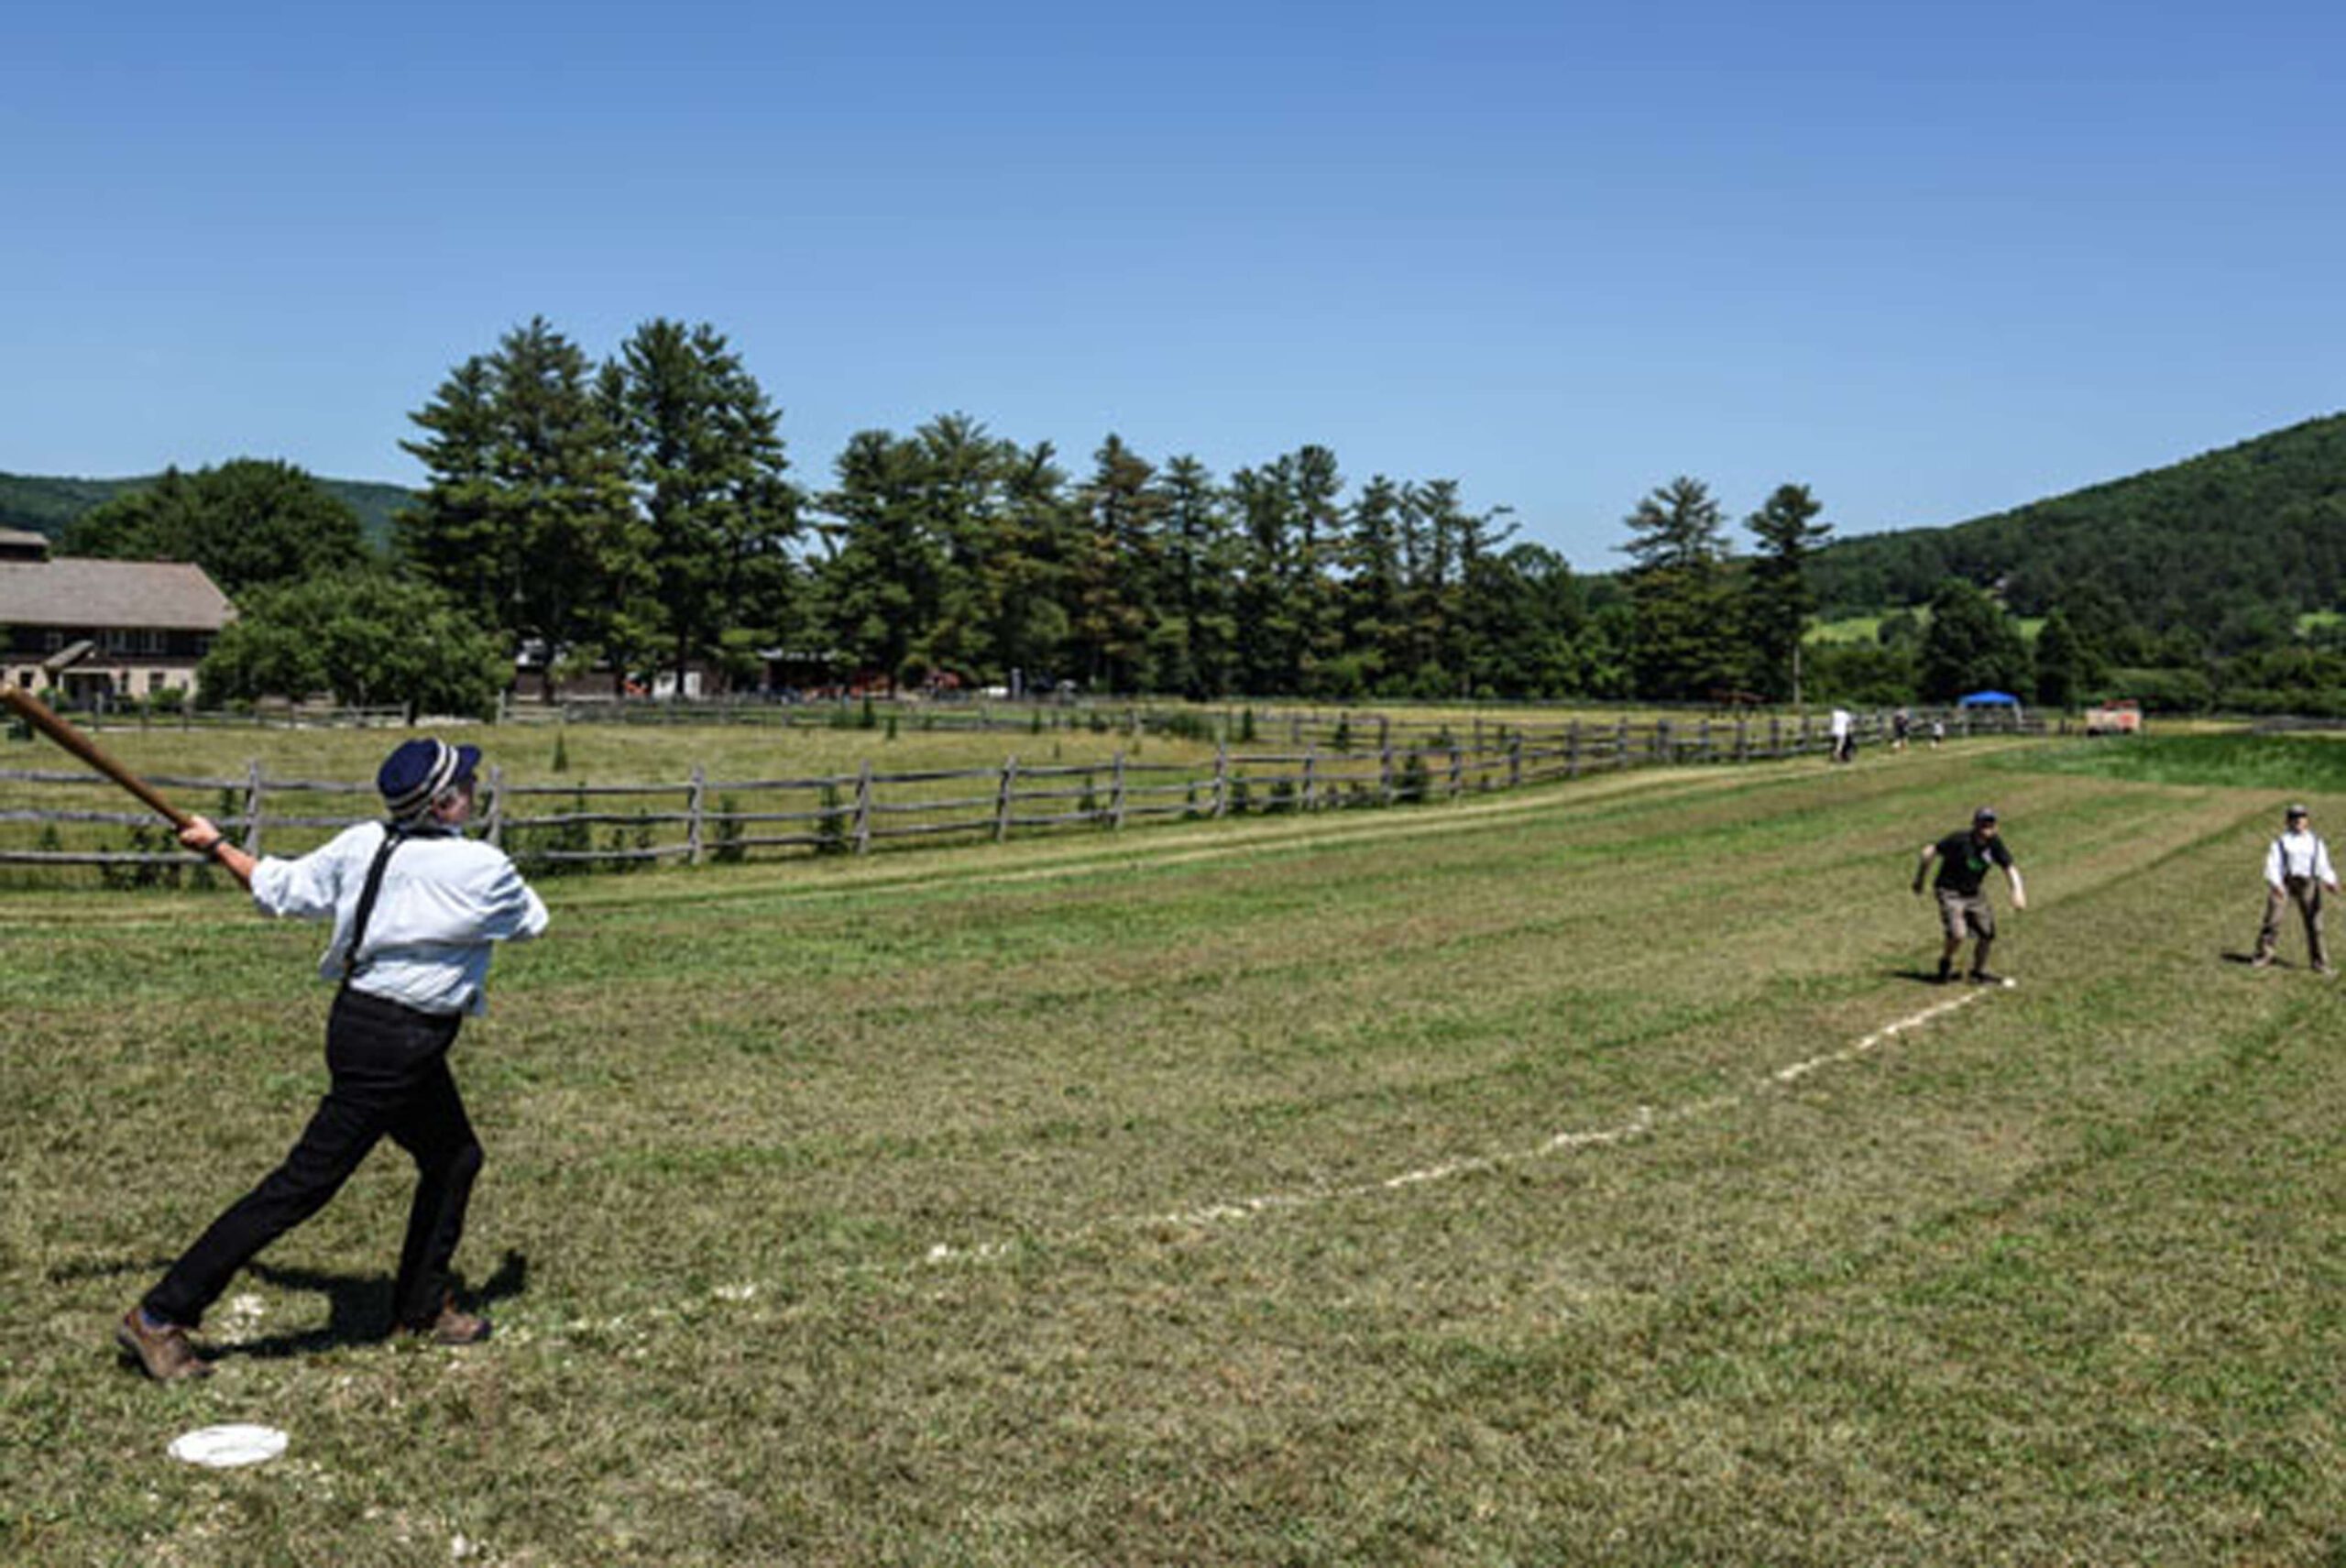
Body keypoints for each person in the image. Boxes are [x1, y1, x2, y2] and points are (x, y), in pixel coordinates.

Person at [115, 738, 549, 1382]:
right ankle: (159, 1314)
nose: (475, 785)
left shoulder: (362, 843)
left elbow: (280, 886)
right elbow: (531, 920)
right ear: (444, 804)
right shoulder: (480, 868)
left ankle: (421, 1308)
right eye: (466, 781)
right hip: (397, 1043)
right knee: (304, 1184)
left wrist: (217, 845)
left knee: (453, 1156)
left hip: (364, 1024)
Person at [1913, 806, 2026, 983]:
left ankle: (1978, 972)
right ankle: (1945, 962)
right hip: (1950, 891)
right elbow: (1929, 852)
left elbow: (2009, 868)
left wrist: (2017, 891)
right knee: (1958, 934)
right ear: (1975, 824)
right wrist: (1920, 879)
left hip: (1973, 893)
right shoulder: (1959, 840)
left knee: (1987, 934)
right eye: (1983, 823)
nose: (1987, 827)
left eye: (1991, 824)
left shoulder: (1994, 844)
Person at [2253, 802, 2338, 973]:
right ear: (2288, 821)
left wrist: (2330, 881)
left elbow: (2323, 865)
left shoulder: (2315, 842)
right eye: (2294, 818)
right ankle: (2264, 955)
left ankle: (2319, 962)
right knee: (2273, 920)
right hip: (2285, 882)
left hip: (2308, 883)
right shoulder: (2281, 842)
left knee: (2315, 924)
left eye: (2302, 817)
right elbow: (2273, 864)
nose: (2298, 821)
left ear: (2307, 820)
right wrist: (2276, 884)